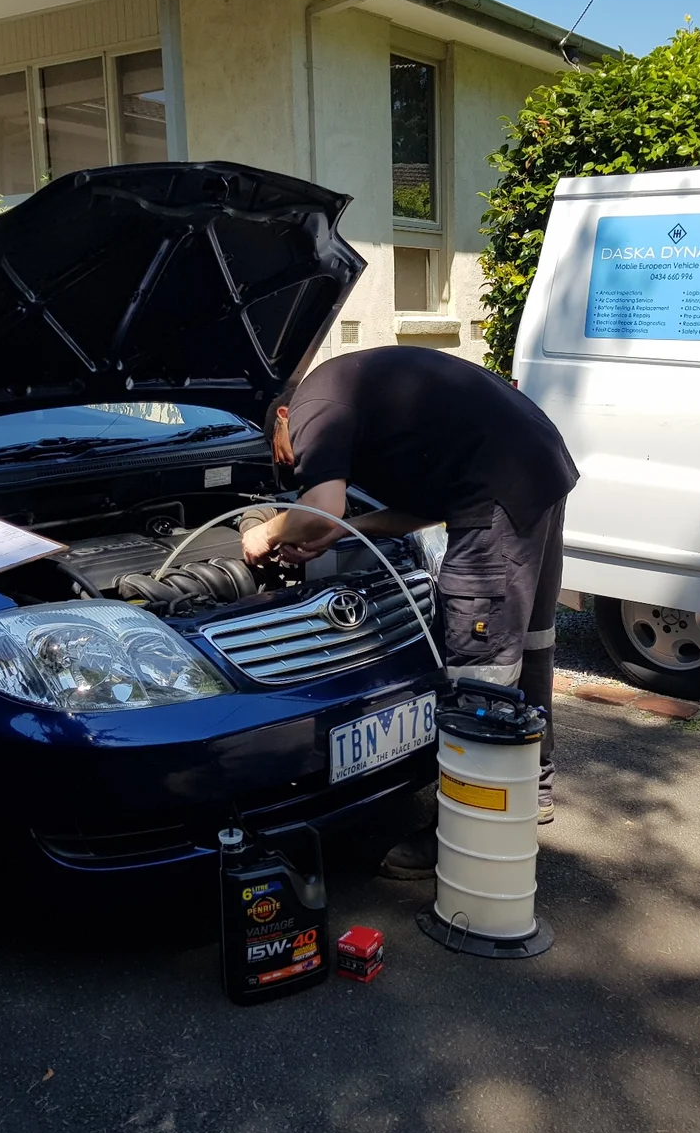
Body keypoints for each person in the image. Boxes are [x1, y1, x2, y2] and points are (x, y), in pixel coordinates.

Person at [240, 346, 579, 878]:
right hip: (536, 465)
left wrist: (266, 530)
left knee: (480, 664)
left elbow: (321, 507)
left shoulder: (310, 403)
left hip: (497, 490)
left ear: (282, 419)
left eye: (285, 455)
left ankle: (467, 830)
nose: (292, 464)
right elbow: (414, 507)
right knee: (529, 642)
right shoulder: (355, 390)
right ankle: (531, 788)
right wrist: (345, 529)